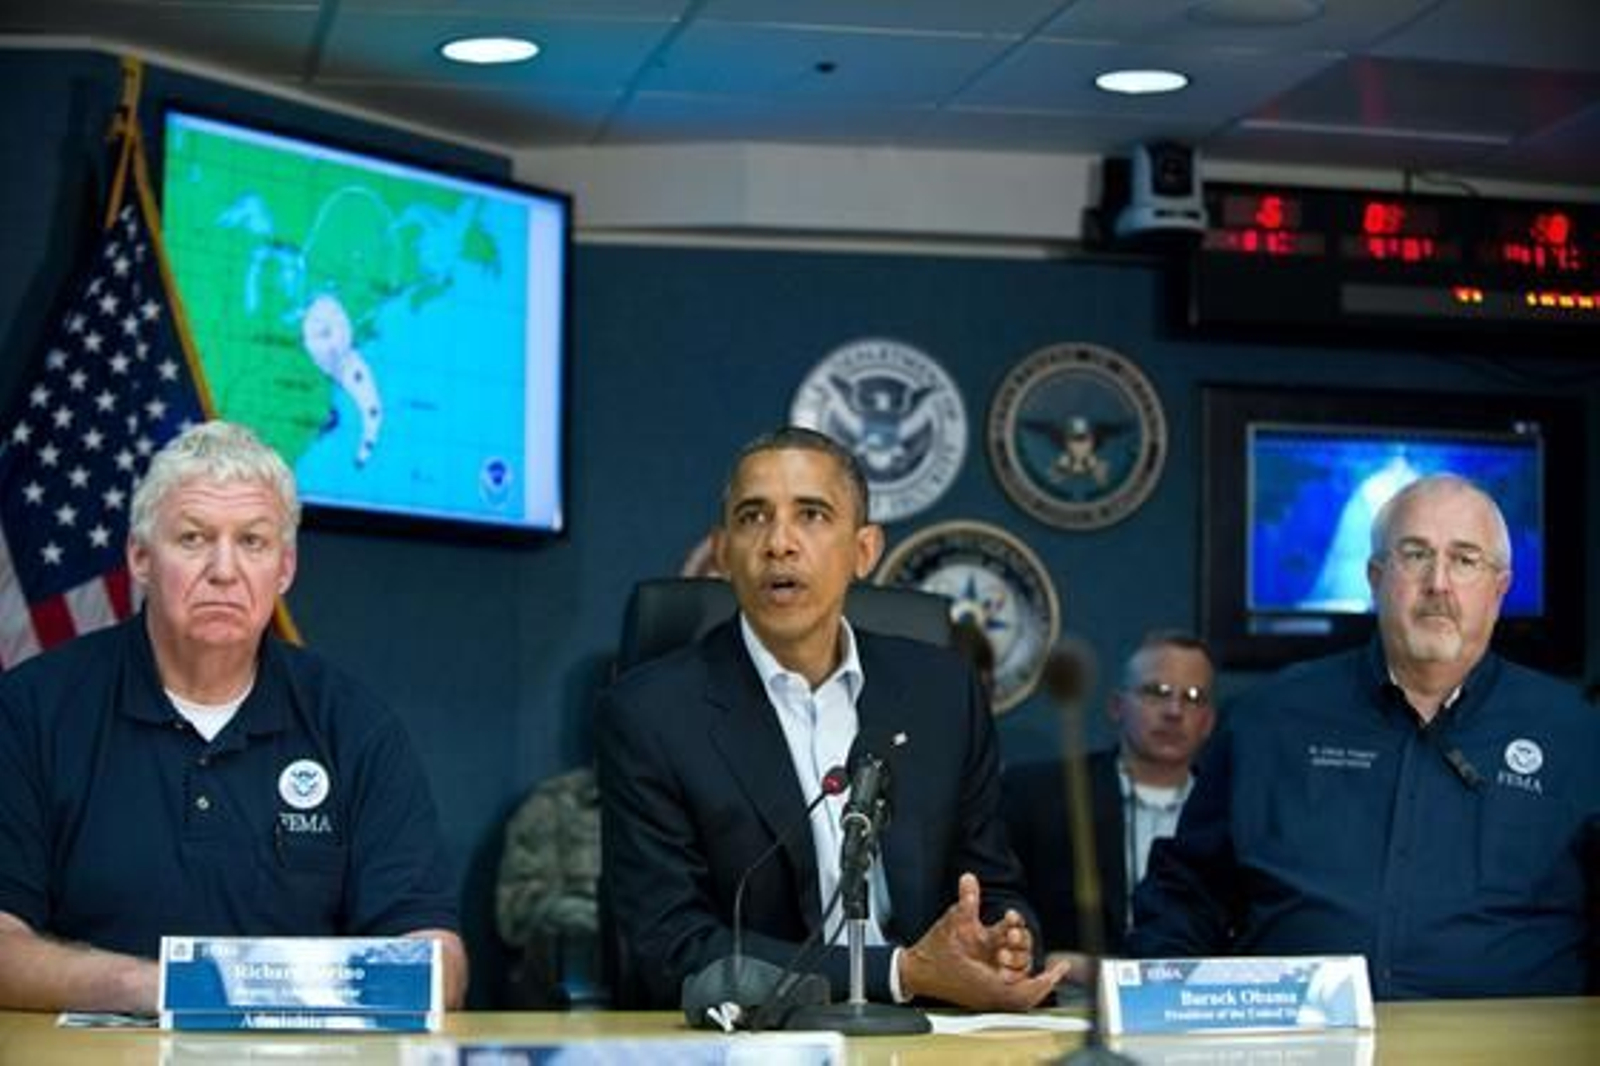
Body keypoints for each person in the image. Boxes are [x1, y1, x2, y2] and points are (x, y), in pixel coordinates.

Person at [0, 421, 467, 1012]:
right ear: (141, 558)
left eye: (252, 542)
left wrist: (301, 998)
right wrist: (161, 989)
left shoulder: (354, 726)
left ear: (285, 569)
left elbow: (434, 960)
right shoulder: (31, 710)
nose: (224, 570)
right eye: (194, 538)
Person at [597, 426, 1067, 1010]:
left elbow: (991, 888)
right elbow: (672, 947)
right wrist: (899, 973)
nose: (779, 544)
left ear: (863, 551)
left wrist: (1003, 945)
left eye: (812, 515)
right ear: (723, 554)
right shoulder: (651, 713)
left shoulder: (941, 693)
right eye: (753, 517)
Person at [1128, 473, 1600, 999]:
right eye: (1416, 555)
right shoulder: (1269, 719)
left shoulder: (1577, 735)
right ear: (1376, 576)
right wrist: (1156, 1009)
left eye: (1465, 559)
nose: (1438, 583)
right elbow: (1185, 896)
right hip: (1298, 1045)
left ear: (1500, 589)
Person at [1002, 631, 1215, 955]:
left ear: (1208, 722)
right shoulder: (1040, 796)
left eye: (1193, 696)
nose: (1174, 710)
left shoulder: (1231, 813)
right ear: (1117, 706)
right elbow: (1003, 910)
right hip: (1068, 995)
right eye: (1157, 692)